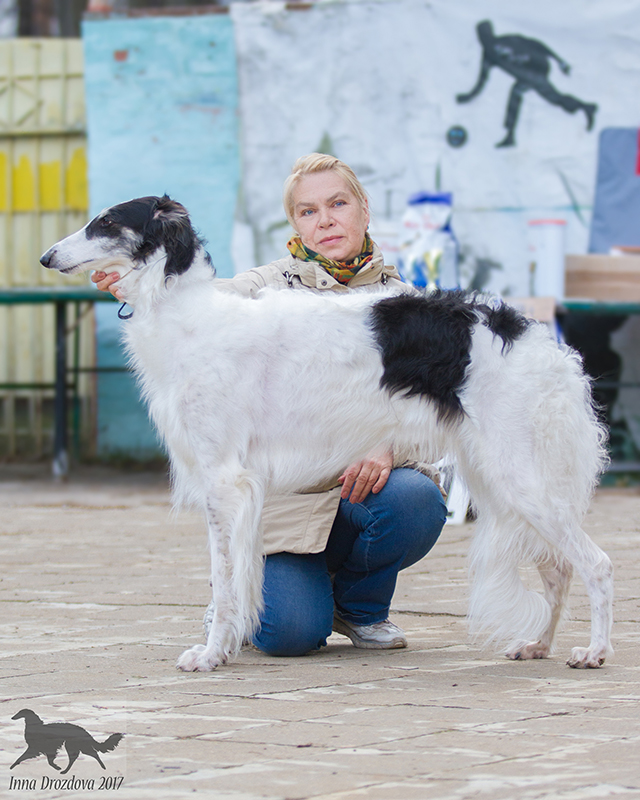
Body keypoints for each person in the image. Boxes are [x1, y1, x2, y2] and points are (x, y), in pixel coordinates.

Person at [92, 153, 447, 656]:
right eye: (308, 211)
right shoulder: (262, 289)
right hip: (287, 507)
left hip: (360, 494)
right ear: (295, 223)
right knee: (290, 634)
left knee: (417, 499)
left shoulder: (404, 303)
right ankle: (249, 595)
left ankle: (360, 607)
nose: (325, 221)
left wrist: (386, 445)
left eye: (338, 204)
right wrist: (137, 283)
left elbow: (434, 418)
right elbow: (197, 303)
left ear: (364, 209)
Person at [457, 20, 597, 148]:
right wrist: (468, 97)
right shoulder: (488, 57)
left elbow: (535, 44)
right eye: (481, 38)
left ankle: (586, 107)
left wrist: (559, 60)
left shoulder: (508, 40)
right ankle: (510, 135)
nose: (484, 41)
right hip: (527, 76)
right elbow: (482, 80)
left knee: (550, 97)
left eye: (485, 36)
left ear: (490, 34)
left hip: (538, 67)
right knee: (521, 93)